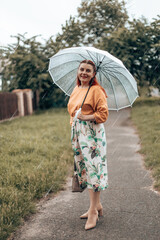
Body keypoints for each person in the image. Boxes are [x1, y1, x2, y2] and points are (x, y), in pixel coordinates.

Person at [67, 59, 109, 230]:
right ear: (78, 71)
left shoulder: (96, 90)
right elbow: (72, 111)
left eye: (88, 71)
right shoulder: (77, 89)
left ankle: (93, 212)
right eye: (81, 69)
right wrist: (75, 124)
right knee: (84, 169)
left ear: (93, 74)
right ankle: (96, 206)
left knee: (94, 170)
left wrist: (86, 117)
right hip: (78, 134)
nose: (84, 73)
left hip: (93, 135)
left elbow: (103, 114)